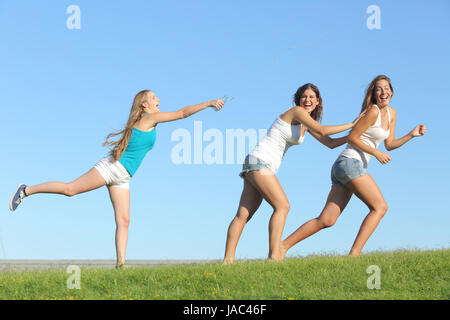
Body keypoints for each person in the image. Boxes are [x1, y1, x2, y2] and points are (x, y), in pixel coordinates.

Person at [9, 90, 225, 268]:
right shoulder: (149, 118)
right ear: (144, 105)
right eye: (154, 98)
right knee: (70, 189)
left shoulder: (148, 119)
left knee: (124, 221)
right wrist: (208, 103)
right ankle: (26, 190)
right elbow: (181, 114)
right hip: (112, 169)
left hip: (123, 177)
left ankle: (121, 264)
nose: (158, 100)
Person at [280, 75, 426, 258]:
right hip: (350, 162)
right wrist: (376, 153)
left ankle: (283, 246)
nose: (383, 92)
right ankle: (355, 253)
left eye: (386, 88)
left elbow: (390, 144)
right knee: (380, 207)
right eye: (379, 89)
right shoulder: (372, 111)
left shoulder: (392, 113)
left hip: (345, 166)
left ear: (392, 91)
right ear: (373, 93)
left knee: (327, 219)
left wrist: (411, 135)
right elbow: (352, 138)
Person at [223, 83, 363, 264]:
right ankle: (274, 256)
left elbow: (329, 143)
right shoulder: (296, 112)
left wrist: (354, 135)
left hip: (257, 163)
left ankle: (227, 262)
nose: (308, 100)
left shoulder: (306, 123)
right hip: (260, 162)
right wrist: (353, 124)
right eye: (304, 96)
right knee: (282, 206)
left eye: (312, 97)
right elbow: (322, 130)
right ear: (298, 99)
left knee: (243, 215)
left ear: (318, 101)